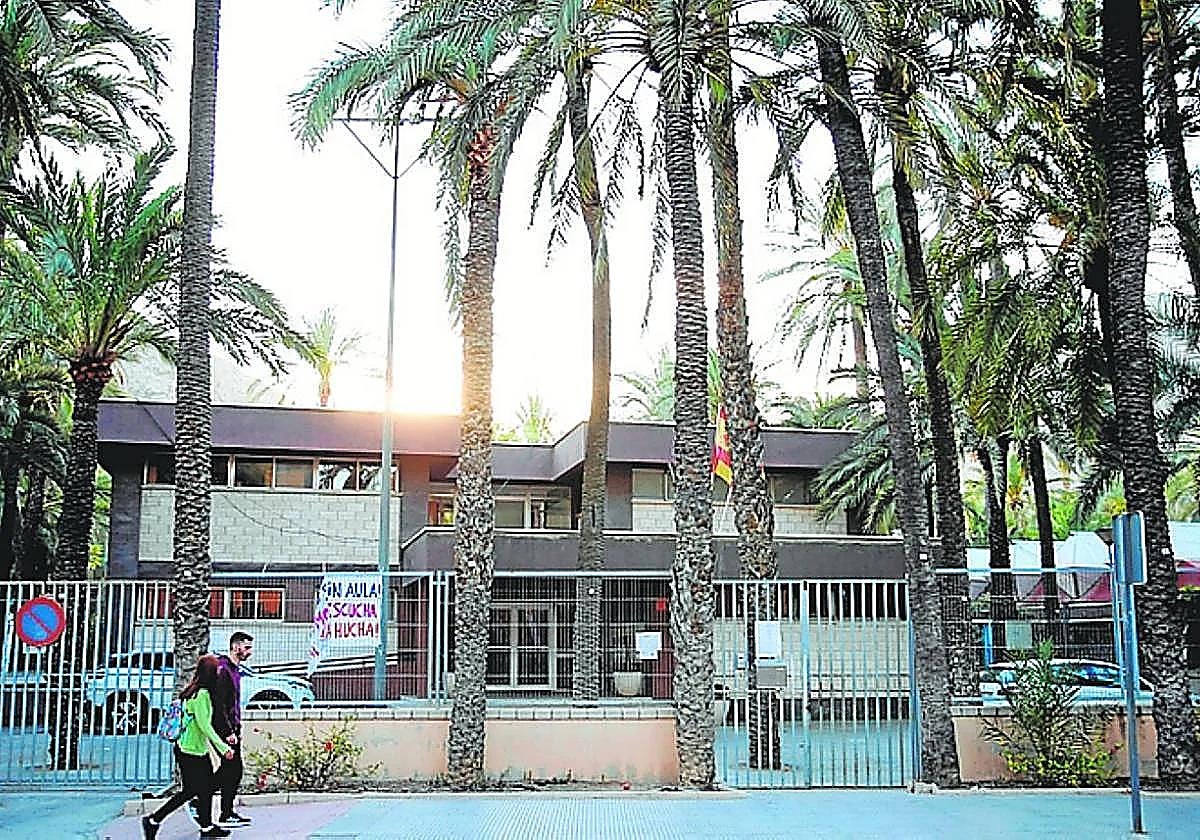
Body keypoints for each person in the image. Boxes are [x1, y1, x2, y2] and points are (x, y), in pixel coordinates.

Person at [141, 655, 234, 839]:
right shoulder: (202, 695)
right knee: (192, 791)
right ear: (210, 674)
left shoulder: (192, 691)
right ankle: (153, 820)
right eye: (217, 670)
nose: (219, 673)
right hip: (191, 751)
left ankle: (206, 827)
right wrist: (223, 748)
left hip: (190, 748)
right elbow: (204, 725)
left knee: (204, 789)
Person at [190, 631, 254, 829]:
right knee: (232, 770)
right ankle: (202, 799)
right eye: (247, 647)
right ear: (236, 647)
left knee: (232, 771)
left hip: (233, 727)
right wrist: (227, 732)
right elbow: (219, 705)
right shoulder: (223, 670)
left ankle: (222, 809)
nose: (249, 652)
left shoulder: (234, 670)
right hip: (224, 729)